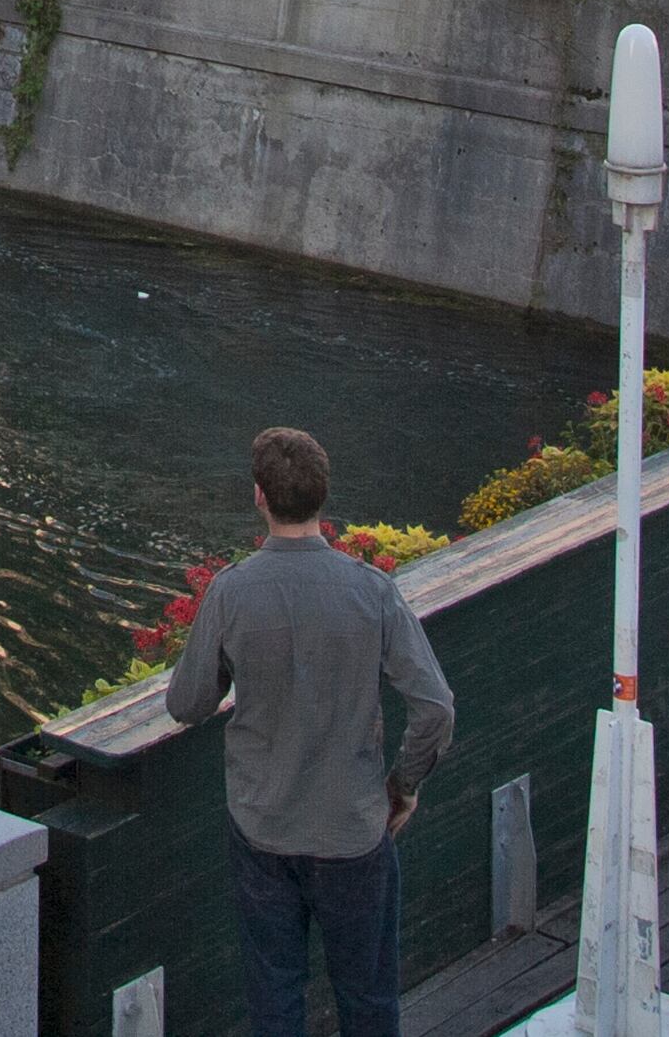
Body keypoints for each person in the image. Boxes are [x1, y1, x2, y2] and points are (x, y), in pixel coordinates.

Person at [167, 429, 456, 1037]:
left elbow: (187, 704)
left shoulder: (232, 591)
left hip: (262, 826)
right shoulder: (371, 591)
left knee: (275, 1002)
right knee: (370, 1002)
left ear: (259, 498)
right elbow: (434, 707)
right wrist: (401, 786)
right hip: (353, 829)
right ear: (323, 499)